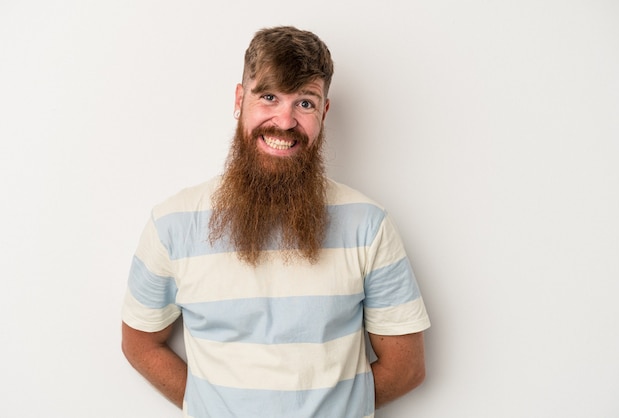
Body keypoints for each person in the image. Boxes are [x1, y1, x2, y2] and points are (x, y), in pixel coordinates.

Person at [121, 25, 430, 418]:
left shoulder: (367, 224)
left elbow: (407, 367)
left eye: (304, 103)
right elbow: (139, 342)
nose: (284, 122)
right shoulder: (172, 224)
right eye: (269, 97)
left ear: (324, 112)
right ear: (240, 99)